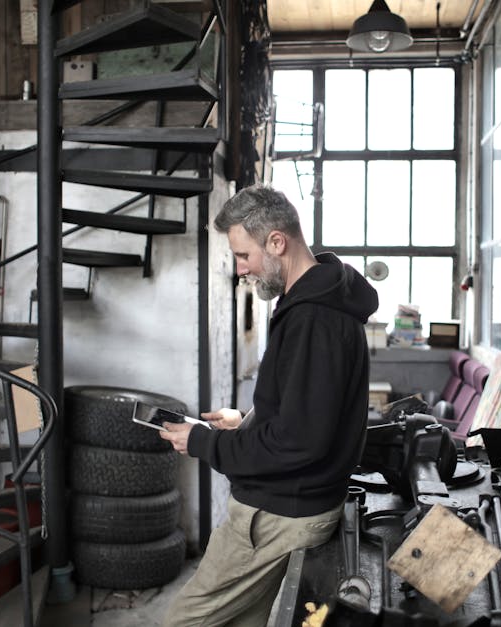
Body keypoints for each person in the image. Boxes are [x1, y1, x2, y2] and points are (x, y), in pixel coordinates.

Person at [159, 184, 379, 626]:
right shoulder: (320, 301)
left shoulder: (313, 318)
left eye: (244, 255)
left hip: (280, 511)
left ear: (277, 242)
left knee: (182, 621)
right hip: (295, 503)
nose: (241, 270)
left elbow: (300, 441)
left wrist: (204, 443)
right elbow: (307, 410)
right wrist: (248, 423)